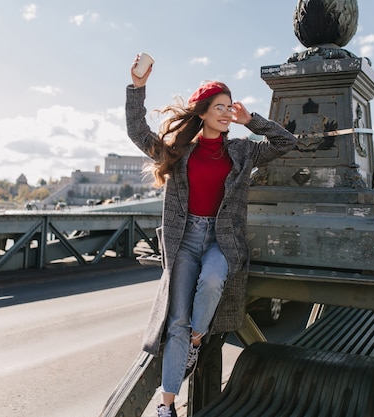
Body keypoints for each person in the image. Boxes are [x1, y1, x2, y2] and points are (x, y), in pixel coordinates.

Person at [126, 55, 297, 417]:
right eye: (218, 107)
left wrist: (252, 121)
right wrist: (137, 88)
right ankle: (166, 405)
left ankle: (197, 337)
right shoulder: (179, 152)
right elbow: (138, 133)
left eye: (228, 107)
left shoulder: (242, 151)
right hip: (186, 238)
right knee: (175, 321)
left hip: (221, 240)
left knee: (214, 279)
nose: (225, 113)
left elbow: (286, 143)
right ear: (202, 113)